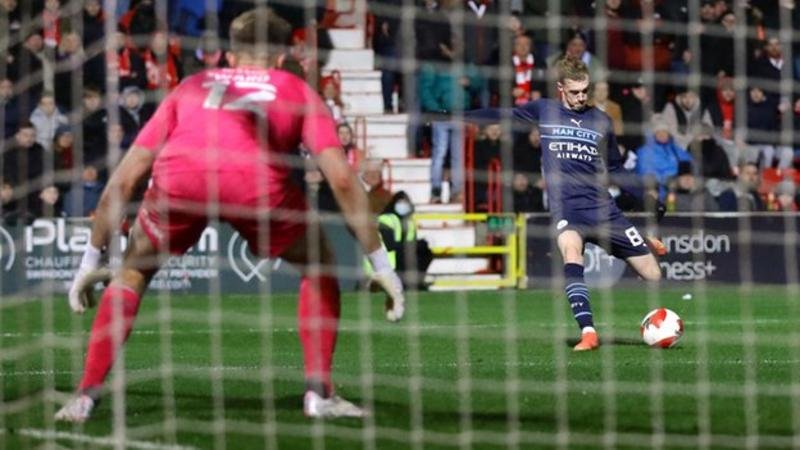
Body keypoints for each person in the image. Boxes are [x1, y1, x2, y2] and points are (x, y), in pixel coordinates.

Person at [54, 8, 405, 423]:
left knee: (132, 271)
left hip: (182, 179)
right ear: (279, 59)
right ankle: (319, 395)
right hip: (256, 184)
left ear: (231, 58)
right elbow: (344, 182)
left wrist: (89, 261)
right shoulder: (294, 88)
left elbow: (125, 179)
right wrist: (380, 263)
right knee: (319, 262)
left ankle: (83, 397)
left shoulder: (192, 85)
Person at [465, 58, 663, 351]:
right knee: (572, 251)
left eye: (585, 90)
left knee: (653, 274)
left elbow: (616, 169)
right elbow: (502, 113)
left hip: (602, 209)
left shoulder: (601, 120)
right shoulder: (544, 110)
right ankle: (589, 333)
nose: (582, 97)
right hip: (567, 209)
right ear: (561, 88)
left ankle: (642, 241)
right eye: (575, 92)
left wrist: (645, 198)